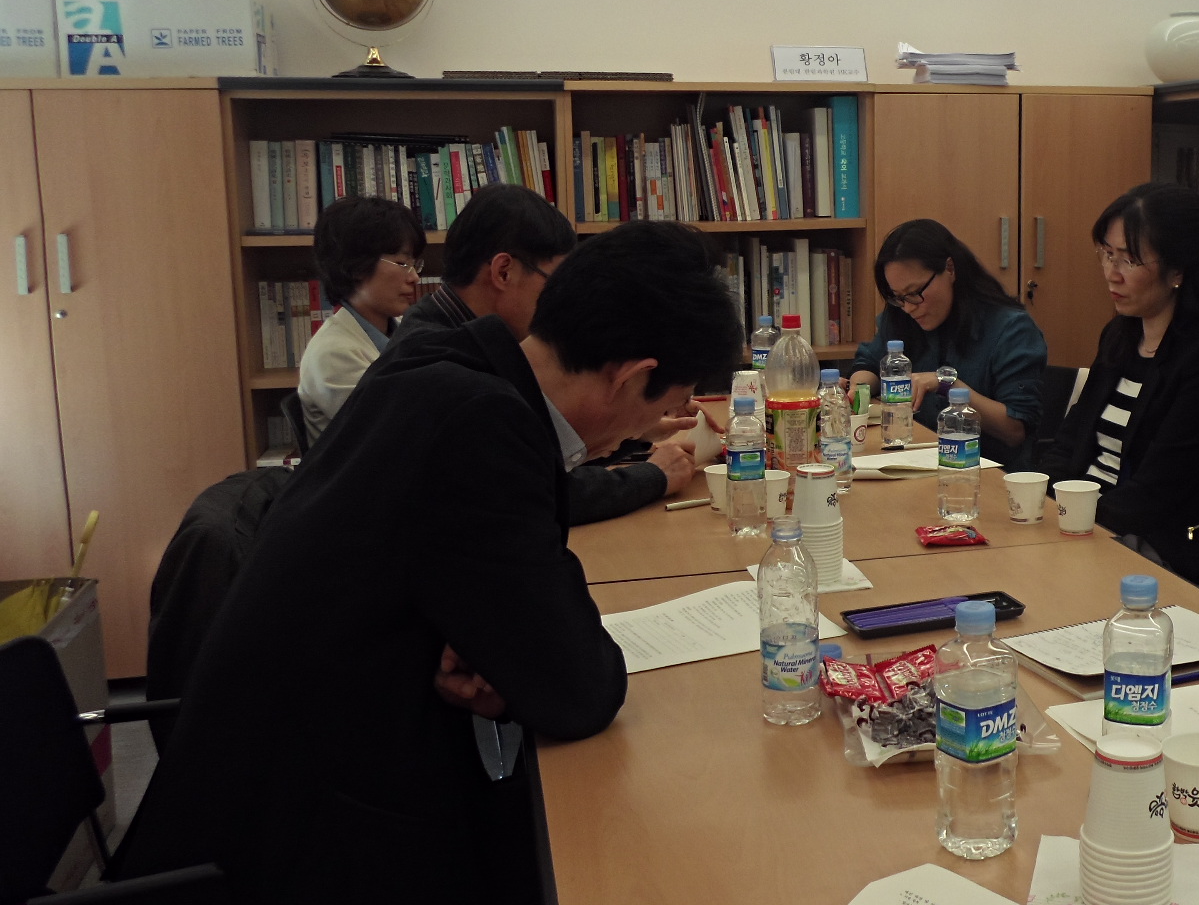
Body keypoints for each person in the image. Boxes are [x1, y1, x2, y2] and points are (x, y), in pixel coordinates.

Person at [115, 221, 744, 904]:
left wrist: (499, 648)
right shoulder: (485, 428)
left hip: (274, 765)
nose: (650, 428)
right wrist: (519, 658)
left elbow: (486, 592)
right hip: (309, 834)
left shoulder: (439, 360)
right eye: (667, 405)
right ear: (631, 376)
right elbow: (579, 690)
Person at [392, 184, 695, 523]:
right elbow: (536, 489)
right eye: (556, 281)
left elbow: (536, 459)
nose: (565, 297)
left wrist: (629, 428)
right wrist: (655, 475)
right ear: (503, 272)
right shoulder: (443, 368)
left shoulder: (461, 338)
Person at [1037, 183, 1199, 583]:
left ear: (1178, 270)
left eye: (1129, 260)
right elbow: (1070, 440)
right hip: (1087, 526)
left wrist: (1071, 523)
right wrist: (1043, 500)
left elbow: (1156, 493)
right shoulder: (1121, 334)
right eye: (1107, 254)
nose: (1112, 273)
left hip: (1157, 548)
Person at [848, 219, 1047, 467]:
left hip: (985, 471)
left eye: (915, 292)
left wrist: (946, 384)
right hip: (918, 459)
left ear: (950, 269)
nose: (908, 307)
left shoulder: (1011, 329)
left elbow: (1015, 429)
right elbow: (870, 362)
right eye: (898, 297)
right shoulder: (902, 314)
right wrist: (857, 389)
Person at [297, 195, 426, 439]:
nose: (414, 277)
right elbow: (398, 430)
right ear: (357, 266)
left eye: (414, 265)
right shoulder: (334, 353)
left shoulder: (398, 330)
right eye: (402, 263)